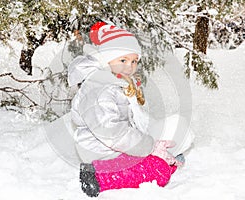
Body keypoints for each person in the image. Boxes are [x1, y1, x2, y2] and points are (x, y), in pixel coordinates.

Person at [68, 22, 192, 197]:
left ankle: (158, 163)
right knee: (159, 171)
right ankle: (98, 179)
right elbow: (112, 132)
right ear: (106, 60)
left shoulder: (112, 85)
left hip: (115, 149)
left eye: (134, 61)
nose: (130, 66)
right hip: (100, 153)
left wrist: (152, 146)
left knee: (158, 160)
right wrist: (149, 147)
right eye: (123, 60)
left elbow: (131, 125)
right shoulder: (97, 89)